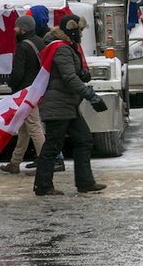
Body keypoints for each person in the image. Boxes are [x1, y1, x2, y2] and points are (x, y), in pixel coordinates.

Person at [33, 15, 109, 196]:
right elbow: (68, 78)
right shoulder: (62, 49)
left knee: (83, 140)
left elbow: (69, 74)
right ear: (73, 30)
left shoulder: (66, 47)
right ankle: (43, 186)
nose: (82, 34)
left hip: (67, 105)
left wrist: (82, 74)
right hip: (59, 105)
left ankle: (85, 182)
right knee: (53, 145)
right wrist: (90, 95)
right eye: (80, 30)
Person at [0, 15, 55, 174]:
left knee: (34, 126)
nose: (14, 29)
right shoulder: (39, 41)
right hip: (37, 89)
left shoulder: (23, 46)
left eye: (16, 27)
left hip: (25, 92)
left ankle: (46, 163)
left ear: (23, 29)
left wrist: (10, 84)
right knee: (24, 128)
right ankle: (14, 163)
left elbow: (18, 73)